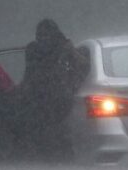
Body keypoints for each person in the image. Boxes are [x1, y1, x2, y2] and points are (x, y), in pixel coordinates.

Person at [13, 18, 90, 159]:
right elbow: (29, 72)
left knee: (57, 131)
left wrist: (70, 50)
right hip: (38, 97)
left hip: (57, 97)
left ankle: (59, 157)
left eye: (46, 34)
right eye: (40, 35)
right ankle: (46, 156)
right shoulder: (33, 49)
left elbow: (82, 65)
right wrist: (21, 90)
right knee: (39, 131)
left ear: (54, 34)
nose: (43, 38)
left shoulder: (63, 47)